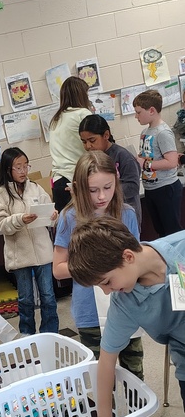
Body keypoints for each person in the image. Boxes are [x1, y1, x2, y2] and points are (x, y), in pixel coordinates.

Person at [67, 218, 185, 417]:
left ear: (128, 256)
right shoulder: (125, 302)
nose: (105, 291)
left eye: (107, 282)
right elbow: (106, 359)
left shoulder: (180, 248)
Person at [53, 151, 143, 379]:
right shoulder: (69, 218)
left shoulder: (127, 214)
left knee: (134, 375)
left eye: (108, 187)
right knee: (99, 378)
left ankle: (138, 416)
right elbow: (58, 268)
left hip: (126, 306)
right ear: (79, 187)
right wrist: (94, 269)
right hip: (90, 312)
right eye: (93, 190)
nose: (102, 196)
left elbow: (137, 261)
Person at [0, 147, 58, 337]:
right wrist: (20, 219)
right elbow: (1, 224)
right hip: (20, 255)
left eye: (25, 166)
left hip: (43, 253)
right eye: (17, 167)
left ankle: (50, 334)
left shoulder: (35, 187)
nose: (23, 171)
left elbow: (50, 215)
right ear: (7, 170)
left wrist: (53, 216)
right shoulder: (0, 194)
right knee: (26, 300)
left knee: (48, 297)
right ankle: (27, 336)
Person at [133, 88, 182, 236]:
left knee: (172, 232)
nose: (136, 116)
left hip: (166, 189)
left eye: (138, 112)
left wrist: (145, 164)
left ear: (152, 110)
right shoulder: (145, 132)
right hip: (151, 188)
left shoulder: (163, 132)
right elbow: (150, 156)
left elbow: (172, 162)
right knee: (161, 231)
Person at [78, 113, 142, 227]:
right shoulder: (90, 160)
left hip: (124, 217)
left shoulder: (123, 156)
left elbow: (133, 187)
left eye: (92, 140)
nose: (88, 146)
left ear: (106, 135)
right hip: (104, 218)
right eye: (84, 141)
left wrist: (108, 190)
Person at [48, 76, 93, 212]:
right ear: (81, 95)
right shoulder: (83, 114)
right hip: (77, 180)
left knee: (68, 229)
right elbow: (97, 144)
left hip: (58, 182)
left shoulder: (56, 119)